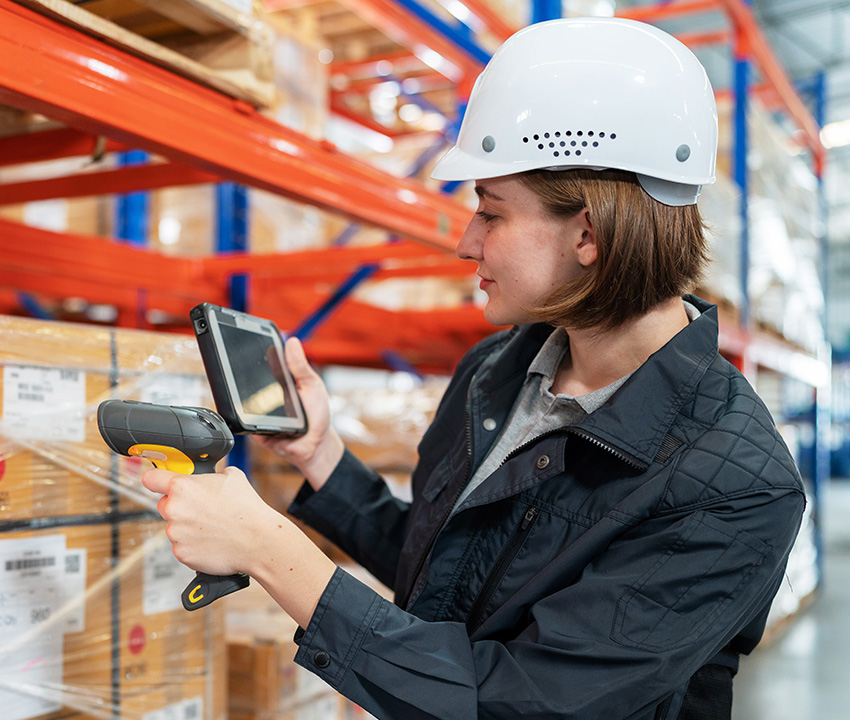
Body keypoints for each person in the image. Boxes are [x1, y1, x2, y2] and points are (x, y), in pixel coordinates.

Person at [142, 17, 806, 720]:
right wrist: (324, 458)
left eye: (491, 213)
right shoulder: (499, 369)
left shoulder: (735, 487)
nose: (466, 241)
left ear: (588, 234)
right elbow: (446, 577)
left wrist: (274, 553)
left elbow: (520, 702)